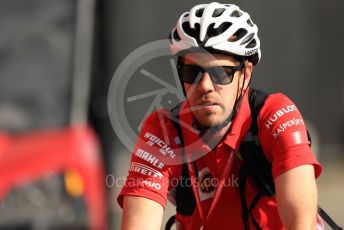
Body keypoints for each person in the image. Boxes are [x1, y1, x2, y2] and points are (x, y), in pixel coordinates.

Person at [117, 2, 323, 229]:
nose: (204, 86)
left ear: (245, 73)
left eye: (220, 73)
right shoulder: (165, 130)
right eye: (192, 72)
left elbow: (300, 223)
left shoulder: (275, 115)